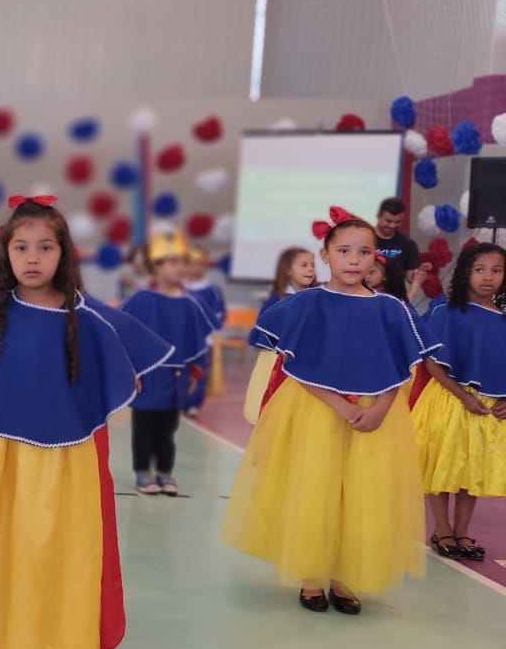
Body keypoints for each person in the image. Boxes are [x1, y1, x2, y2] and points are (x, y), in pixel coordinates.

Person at [0, 197, 171, 649]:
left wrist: (123, 377)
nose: (32, 257)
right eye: (21, 246)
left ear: (64, 254)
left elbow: (130, 355)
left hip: (59, 460)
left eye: (45, 247)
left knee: (43, 550)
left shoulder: (87, 317)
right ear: (5, 252)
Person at [222, 207, 435, 615]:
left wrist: (381, 410)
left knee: (363, 493)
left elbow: (401, 366)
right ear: (325, 255)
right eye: (344, 251)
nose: (354, 260)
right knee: (313, 488)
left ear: (378, 258)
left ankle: (344, 576)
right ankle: (311, 575)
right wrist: (337, 403)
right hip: (316, 411)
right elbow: (296, 364)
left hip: (376, 416)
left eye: (364, 252)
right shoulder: (306, 305)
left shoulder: (392, 309)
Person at [411, 242, 506, 561]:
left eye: (496, 270)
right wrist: (461, 394)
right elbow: (432, 363)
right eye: (479, 270)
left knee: (471, 468)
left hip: (487, 407)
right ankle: (442, 529)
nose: (488, 277)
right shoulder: (447, 311)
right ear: (466, 272)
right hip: (450, 399)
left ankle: (463, 531)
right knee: (443, 463)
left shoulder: (503, 319)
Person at [121, 229, 218, 495]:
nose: (180, 268)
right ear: (156, 267)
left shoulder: (190, 304)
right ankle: (143, 473)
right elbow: (126, 336)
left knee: (168, 428)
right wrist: (131, 371)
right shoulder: (141, 300)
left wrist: (195, 375)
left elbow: (197, 345)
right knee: (143, 427)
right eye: (172, 262)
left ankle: (165, 472)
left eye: (182, 262)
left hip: (176, 376)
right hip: (147, 376)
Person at [243, 246, 316, 425]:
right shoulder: (278, 299)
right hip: (278, 362)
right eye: (304, 265)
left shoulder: (315, 298)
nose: (310, 269)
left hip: (306, 362)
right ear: (288, 270)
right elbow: (265, 329)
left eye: (313, 265)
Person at [182, 248, 226, 417]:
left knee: (199, 370)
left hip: (202, 339)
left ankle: (193, 403)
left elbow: (217, 314)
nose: (195, 268)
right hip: (179, 339)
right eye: (191, 264)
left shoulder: (211, 290)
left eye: (199, 264)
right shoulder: (179, 288)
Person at [374, 198, 429, 303]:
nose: (392, 226)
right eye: (388, 221)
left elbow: (410, 277)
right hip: (366, 296)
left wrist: (418, 273)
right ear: (378, 216)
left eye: (397, 222)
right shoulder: (366, 240)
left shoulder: (408, 244)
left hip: (395, 300)